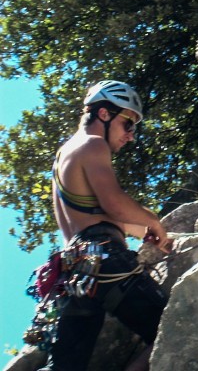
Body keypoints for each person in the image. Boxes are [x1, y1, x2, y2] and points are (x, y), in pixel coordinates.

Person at [39, 80, 173, 371]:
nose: (131, 135)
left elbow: (95, 215)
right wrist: (153, 221)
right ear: (104, 114)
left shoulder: (64, 156)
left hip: (75, 273)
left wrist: (143, 232)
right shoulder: (93, 144)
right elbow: (113, 202)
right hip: (106, 261)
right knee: (173, 330)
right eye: (128, 123)